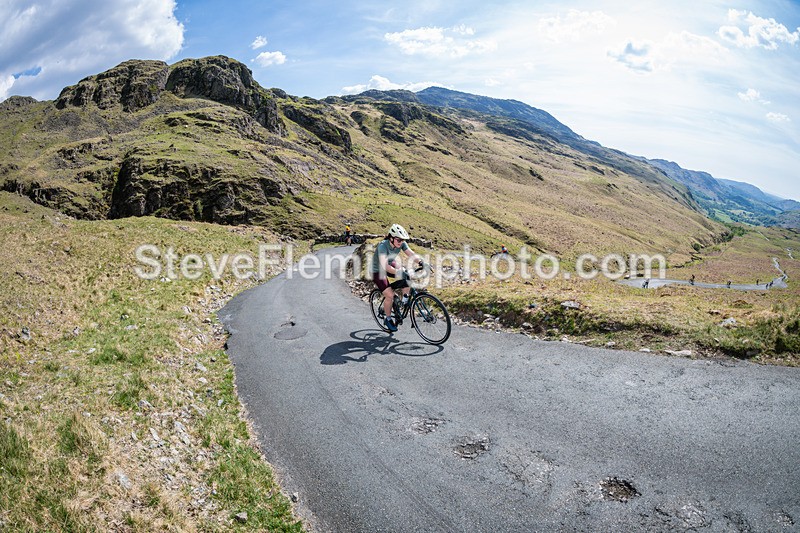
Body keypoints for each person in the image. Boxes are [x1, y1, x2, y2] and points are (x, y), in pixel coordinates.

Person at [370, 224, 423, 332]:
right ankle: (388, 319)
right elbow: (385, 266)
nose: (400, 242)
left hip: (390, 264)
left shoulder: (401, 243)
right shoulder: (382, 246)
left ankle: (403, 301)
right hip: (378, 270)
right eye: (398, 240)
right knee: (389, 295)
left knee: (406, 276)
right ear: (391, 237)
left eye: (402, 240)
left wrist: (422, 262)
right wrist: (398, 273)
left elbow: (411, 254)